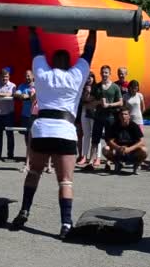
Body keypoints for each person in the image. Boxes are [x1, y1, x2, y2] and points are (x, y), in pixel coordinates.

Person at [11, 28, 97, 240]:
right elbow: (89, 52)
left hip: (42, 129)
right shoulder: (77, 74)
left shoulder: (42, 72)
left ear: (51, 61)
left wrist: (32, 29)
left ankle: (24, 210)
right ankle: (66, 224)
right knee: (65, 181)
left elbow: (35, 48)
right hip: (65, 132)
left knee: (34, 173)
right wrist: (94, 29)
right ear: (69, 63)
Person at [88, 65, 123, 171]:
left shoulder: (115, 87)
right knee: (95, 139)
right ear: (100, 73)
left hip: (110, 117)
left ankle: (108, 162)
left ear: (110, 73)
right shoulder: (97, 87)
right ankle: (91, 162)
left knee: (110, 141)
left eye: (106, 72)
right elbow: (91, 102)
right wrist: (98, 102)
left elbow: (121, 102)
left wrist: (109, 105)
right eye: (102, 72)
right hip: (98, 116)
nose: (104, 74)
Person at [103, 107, 148, 175]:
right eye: (121, 114)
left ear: (129, 116)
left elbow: (142, 142)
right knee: (105, 149)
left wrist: (129, 149)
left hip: (132, 152)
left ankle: (136, 165)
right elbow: (110, 141)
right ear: (119, 116)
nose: (123, 116)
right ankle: (117, 163)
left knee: (144, 150)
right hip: (119, 151)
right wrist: (118, 148)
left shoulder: (134, 126)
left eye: (125, 114)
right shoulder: (114, 125)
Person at [77, 72, 101, 166]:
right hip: (84, 112)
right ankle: (84, 156)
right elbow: (81, 101)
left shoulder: (97, 88)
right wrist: (86, 93)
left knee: (96, 135)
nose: (89, 79)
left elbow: (97, 100)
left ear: (94, 78)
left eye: (91, 77)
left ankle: (97, 158)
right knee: (86, 135)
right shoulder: (82, 88)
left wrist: (89, 100)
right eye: (88, 78)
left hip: (94, 113)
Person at [15, 70, 35, 156]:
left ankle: (35, 155)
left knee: (35, 136)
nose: (27, 78)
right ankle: (29, 154)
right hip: (25, 115)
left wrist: (29, 96)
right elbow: (16, 94)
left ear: (33, 76)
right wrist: (21, 95)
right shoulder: (22, 86)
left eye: (28, 76)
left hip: (35, 115)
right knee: (26, 135)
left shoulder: (37, 86)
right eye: (25, 76)